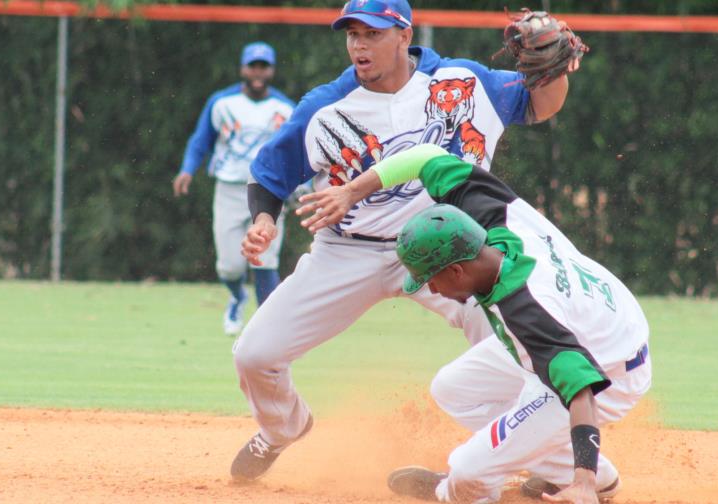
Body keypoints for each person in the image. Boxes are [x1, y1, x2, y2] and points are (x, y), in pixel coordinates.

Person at [233, 0, 585, 483]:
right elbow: (270, 177)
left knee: (514, 350)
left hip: (449, 250)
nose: (359, 44)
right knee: (255, 356)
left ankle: (541, 463)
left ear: (403, 35)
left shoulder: (463, 83)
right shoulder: (325, 108)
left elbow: (542, 103)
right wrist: (264, 222)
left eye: (372, 33)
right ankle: (283, 428)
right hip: (348, 250)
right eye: (352, 34)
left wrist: (553, 66)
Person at [297, 144, 652, 503]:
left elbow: (580, 390)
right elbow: (424, 156)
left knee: (467, 470)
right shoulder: (495, 219)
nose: (431, 289)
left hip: (608, 368)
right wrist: (352, 191)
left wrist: (583, 482)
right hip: (592, 323)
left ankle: (454, 492)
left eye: (431, 279)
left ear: (456, 269)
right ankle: (589, 475)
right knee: (453, 388)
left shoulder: (525, 307)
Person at [173, 42, 296, 336]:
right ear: (243, 68)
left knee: (266, 260)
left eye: (263, 67)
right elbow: (200, 139)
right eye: (252, 66)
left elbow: (296, 151)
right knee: (229, 266)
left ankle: (266, 329)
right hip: (229, 188)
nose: (257, 72)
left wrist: (300, 184)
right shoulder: (222, 103)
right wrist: (188, 169)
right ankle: (238, 296)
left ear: (271, 70)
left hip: (268, 190)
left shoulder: (285, 108)